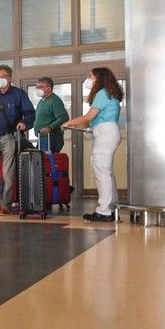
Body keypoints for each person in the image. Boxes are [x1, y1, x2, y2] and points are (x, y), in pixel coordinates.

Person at [62, 67, 123, 222]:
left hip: (106, 134)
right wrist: (74, 125)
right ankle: (111, 208)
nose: (88, 79)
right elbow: (92, 121)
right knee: (106, 171)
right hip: (107, 132)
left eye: (91, 76)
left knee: (102, 171)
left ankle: (104, 211)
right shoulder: (110, 94)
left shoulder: (102, 93)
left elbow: (88, 117)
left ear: (99, 78)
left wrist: (68, 122)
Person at [0, 65, 35, 215]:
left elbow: (30, 113)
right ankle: (3, 199)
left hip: (10, 137)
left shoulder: (19, 94)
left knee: (8, 173)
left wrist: (24, 123)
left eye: (3, 76)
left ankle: (5, 205)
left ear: (10, 78)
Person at [33, 76, 69, 153]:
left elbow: (64, 117)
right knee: (41, 162)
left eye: (40, 87)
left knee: (46, 162)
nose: (37, 89)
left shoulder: (54, 100)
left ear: (49, 89)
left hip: (51, 138)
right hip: (42, 137)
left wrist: (50, 127)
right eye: (36, 87)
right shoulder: (42, 101)